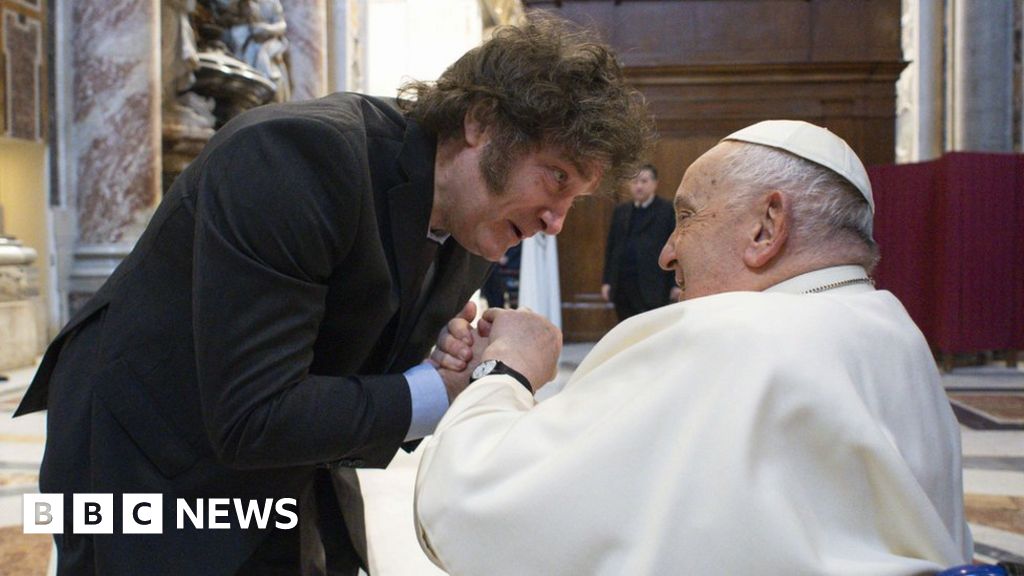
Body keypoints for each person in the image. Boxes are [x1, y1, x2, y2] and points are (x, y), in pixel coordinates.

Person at [15, 17, 651, 576]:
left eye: (576, 199)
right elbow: (253, 417)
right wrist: (448, 389)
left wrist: (439, 368)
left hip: (283, 460)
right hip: (144, 450)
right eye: (556, 179)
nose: (557, 222)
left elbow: (358, 387)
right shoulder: (296, 159)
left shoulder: (474, 227)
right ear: (481, 123)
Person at [417, 120, 972, 575]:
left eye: (685, 218)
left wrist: (505, 371)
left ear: (766, 227)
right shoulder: (895, 333)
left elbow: (477, 507)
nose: (667, 253)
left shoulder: (728, 335)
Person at [601, 164, 678, 320]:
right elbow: (612, 248)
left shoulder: (667, 210)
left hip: (654, 283)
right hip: (623, 283)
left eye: (644, 181)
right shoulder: (621, 211)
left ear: (655, 183)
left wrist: (675, 284)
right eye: (635, 182)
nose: (639, 186)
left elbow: (674, 247)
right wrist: (607, 281)